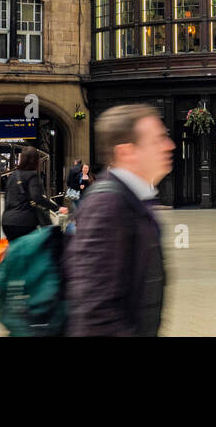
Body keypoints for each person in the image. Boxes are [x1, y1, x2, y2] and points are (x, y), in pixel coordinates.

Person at [64, 104, 175, 336]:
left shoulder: (136, 199)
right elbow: (95, 311)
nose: (169, 146)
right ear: (126, 152)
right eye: (157, 140)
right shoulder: (107, 206)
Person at [1, 146, 51, 242]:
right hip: (25, 222)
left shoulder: (13, 175)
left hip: (7, 222)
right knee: (33, 249)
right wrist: (56, 207)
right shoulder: (32, 176)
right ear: (35, 160)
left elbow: (6, 198)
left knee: (15, 250)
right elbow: (36, 197)